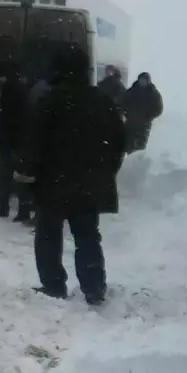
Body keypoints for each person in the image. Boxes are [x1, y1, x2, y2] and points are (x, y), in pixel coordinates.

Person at [15, 45, 127, 306]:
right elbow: (119, 141)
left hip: (52, 182)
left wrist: (27, 173)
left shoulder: (49, 100)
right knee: (87, 236)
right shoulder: (102, 101)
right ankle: (94, 287)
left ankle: (53, 285)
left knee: (48, 235)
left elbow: (34, 142)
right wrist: (105, 170)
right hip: (89, 184)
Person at [0, 60, 30, 220]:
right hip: (16, 141)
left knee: (10, 176)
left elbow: (8, 118)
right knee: (16, 177)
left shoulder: (11, 90)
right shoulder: (18, 88)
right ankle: (19, 210)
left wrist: (5, 137)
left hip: (12, 141)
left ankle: (8, 208)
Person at [122, 72, 164, 153]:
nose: (143, 82)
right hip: (130, 124)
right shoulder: (132, 91)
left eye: (145, 80)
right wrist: (126, 113)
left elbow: (159, 109)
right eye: (141, 80)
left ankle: (136, 160)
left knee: (139, 149)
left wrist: (148, 116)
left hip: (144, 126)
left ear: (149, 81)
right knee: (127, 146)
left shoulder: (153, 93)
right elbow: (123, 102)